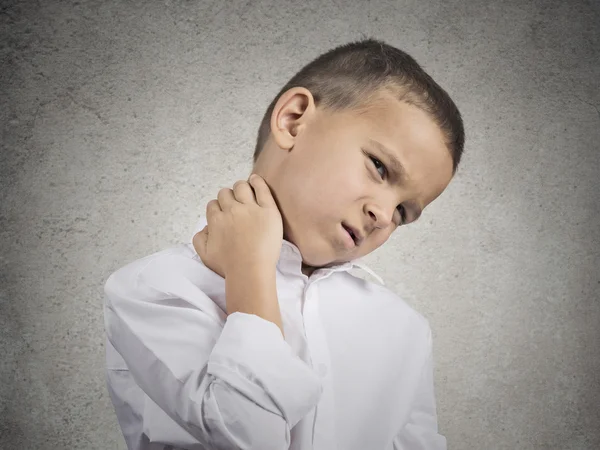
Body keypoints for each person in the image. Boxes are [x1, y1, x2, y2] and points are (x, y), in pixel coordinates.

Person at [103, 37, 465, 450]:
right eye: (379, 167)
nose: (384, 214)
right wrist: (250, 271)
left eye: (403, 212)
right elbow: (251, 436)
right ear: (293, 121)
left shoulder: (405, 331)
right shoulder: (153, 288)